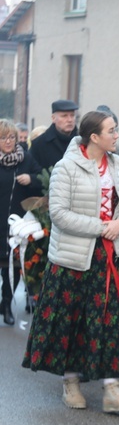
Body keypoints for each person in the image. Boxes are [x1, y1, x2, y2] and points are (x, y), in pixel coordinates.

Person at [21, 110, 119, 412]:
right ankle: (71, 381)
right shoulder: (67, 167)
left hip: (113, 255)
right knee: (72, 320)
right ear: (94, 137)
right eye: (111, 131)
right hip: (73, 257)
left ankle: (112, 387)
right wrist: (102, 226)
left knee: (112, 319)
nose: (116, 136)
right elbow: (59, 214)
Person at [0, 120, 43, 325]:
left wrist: (31, 179)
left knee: (13, 264)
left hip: (17, 224)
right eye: (3, 137)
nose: (8, 141)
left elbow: (43, 179)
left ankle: (7, 304)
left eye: (11, 137)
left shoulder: (25, 159)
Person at [28, 99, 79, 171]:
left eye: (72, 115)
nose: (69, 120)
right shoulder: (39, 144)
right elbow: (33, 172)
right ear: (53, 118)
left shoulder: (83, 141)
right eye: (64, 116)